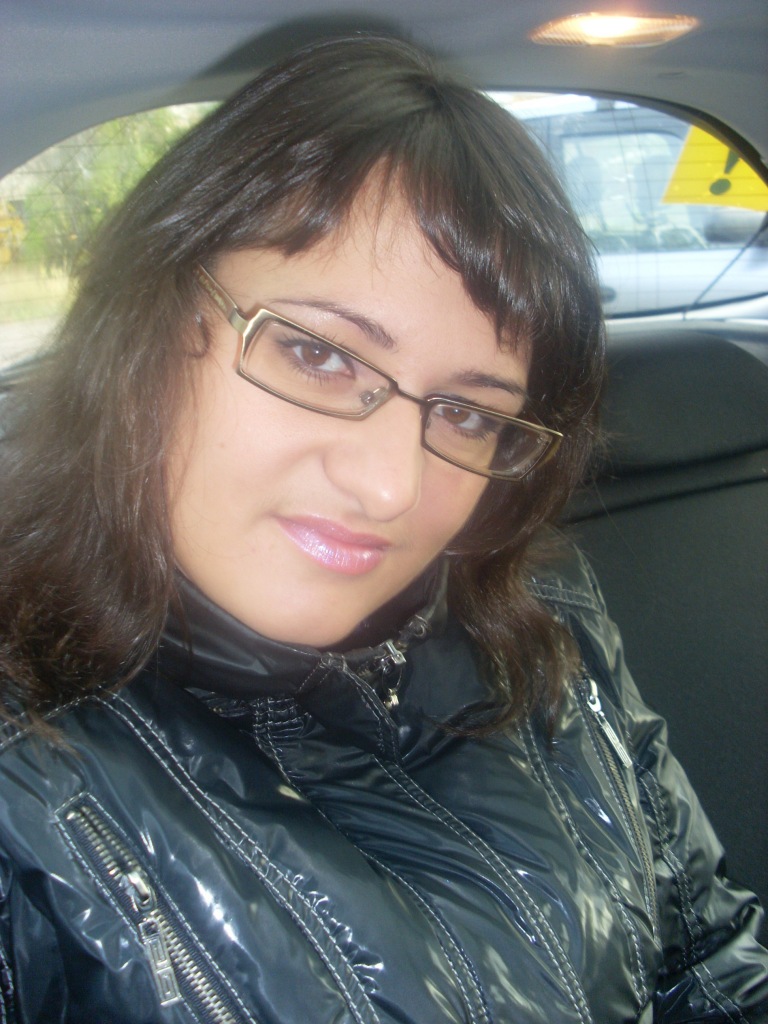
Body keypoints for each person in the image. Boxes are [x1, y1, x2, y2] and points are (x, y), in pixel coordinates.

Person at [0, 35, 765, 1024]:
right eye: (319, 355)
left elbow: (709, 962)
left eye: (468, 413)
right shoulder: (26, 774)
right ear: (150, 316)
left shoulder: (545, 628)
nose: (392, 487)